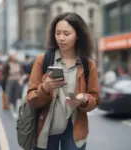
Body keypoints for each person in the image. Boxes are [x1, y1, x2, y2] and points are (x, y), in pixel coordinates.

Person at [27, 12, 100, 150]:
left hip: (75, 128)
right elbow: (31, 98)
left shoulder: (87, 65)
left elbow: (95, 99)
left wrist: (83, 99)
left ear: (77, 35)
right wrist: (45, 88)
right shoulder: (43, 60)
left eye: (66, 34)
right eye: (57, 33)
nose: (61, 38)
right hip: (46, 128)